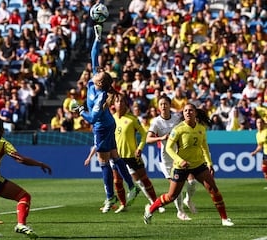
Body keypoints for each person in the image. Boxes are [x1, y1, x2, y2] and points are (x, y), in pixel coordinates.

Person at [71, 13, 138, 213]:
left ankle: (110, 198)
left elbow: (92, 119)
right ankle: (132, 187)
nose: (95, 70)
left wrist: (80, 109)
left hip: (101, 127)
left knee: (103, 162)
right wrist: (97, 39)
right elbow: (93, 56)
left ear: (101, 82)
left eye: (98, 73)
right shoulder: (94, 81)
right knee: (115, 157)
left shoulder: (100, 98)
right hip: (108, 125)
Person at [144, 103, 234, 227]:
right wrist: (180, 160)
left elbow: (204, 147)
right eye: (185, 111)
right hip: (181, 167)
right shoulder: (178, 129)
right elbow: (169, 148)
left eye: (190, 110)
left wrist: (209, 163)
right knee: (172, 196)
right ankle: (150, 210)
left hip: (198, 165)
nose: (187, 112)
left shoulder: (201, 129)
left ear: (195, 113)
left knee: (213, 189)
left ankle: (224, 219)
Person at [146, 95, 194, 221]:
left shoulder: (177, 118)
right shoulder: (156, 122)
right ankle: (180, 212)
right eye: (161, 104)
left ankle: (188, 200)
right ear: (158, 106)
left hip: (180, 155)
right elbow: (148, 139)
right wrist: (161, 138)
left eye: (165, 103)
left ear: (169, 105)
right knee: (175, 188)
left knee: (192, 181)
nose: (163, 106)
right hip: (166, 159)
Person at [251, 117, 267, 189]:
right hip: (265, 153)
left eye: (261, 122)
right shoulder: (258, 134)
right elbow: (260, 146)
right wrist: (255, 152)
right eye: (258, 122)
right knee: (264, 169)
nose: (259, 124)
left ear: (264, 123)